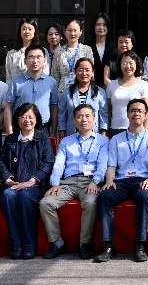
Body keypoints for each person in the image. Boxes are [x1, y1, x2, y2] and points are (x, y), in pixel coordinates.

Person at [95, 99, 148, 262]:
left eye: (140, 111)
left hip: (143, 180)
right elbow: (111, 165)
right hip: (121, 181)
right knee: (105, 196)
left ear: (146, 115)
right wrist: (109, 181)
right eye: (132, 111)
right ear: (127, 114)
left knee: (145, 195)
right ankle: (108, 245)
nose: (136, 114)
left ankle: (140, 245)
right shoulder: (116, 139)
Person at [41, 103, 108, 260]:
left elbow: (103, 164)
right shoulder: (66, 141)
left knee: (91, 203)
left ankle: (84, 243)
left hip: (90, 182)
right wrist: (55, 183)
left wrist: (96, 181)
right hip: (68, 183)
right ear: (74, 121)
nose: (83, 119)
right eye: (79, 116)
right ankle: (57, 243)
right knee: (46, 203)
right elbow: (59, 164)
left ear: (94, 119)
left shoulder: (102, 141)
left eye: (87, 116)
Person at [0, 103, 54, 260]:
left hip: (34, 185)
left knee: (25, 196)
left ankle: (29, 244)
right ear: (17, 120)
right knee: (7, 196)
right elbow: (1, 162)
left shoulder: (42, 137)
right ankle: (16, 244)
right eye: (23, 117)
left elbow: (48, 162)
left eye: (30, 117)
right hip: (13, 185)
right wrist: (8, 179)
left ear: (36, 119)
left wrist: (32, 181)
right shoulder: (11, 139)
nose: (27, 120)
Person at [3, 45, 58, 134]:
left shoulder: (51, 82)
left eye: (38, 57)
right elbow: (8, 107)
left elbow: (54, 107)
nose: (35, 61)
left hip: (43, 129)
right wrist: (9, 130)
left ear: (44, 60)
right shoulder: (16, 82)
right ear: (25, 61)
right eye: (31, 57)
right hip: (20, 129)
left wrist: (54, 132)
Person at [57, 58, 110, 135]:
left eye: (87, 70)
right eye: (80, 70)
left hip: (94, 136)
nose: (84, 73)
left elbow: (103, 116)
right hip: (72, 135)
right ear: (75, 72)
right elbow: (62, 116)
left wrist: (104, 135)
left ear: (92, 72)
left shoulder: (100, 92)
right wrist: (61, 134)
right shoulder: (66, 93)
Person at [106, 50, 148, 136]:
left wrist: (145, 133)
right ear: (119, 65)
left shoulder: (143, 85)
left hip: (137, 130)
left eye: (131, 63)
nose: (128, 66)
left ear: (136, 64)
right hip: (115, 129)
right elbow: (108, 111)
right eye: (124, 63)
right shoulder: (111, 85)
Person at [50, 19, 96, 94]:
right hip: (62, 92)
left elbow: (91, 73)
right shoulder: (58, 51)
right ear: (65, 32)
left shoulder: (87, 50)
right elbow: (55, 75)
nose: (72, 33)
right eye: (69, 30)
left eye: (75, 30)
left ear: (80, 32)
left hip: (81, 91)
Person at [5, 18, 37, 85]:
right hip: (16, 89)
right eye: (24, 29)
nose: (27, 31)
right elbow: (8, 77)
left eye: (30, 29)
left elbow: (45, 74)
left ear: (35, 31)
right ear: (20, 31)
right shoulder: (12, 54)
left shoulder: (42, 52)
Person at [92, 13, 116, 87]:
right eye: (98, 24)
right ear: (94, 27)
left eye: (104, 25)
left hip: (110, 86)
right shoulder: (87, 46)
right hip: (91, 86)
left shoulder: (114, 47)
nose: (101, 27)